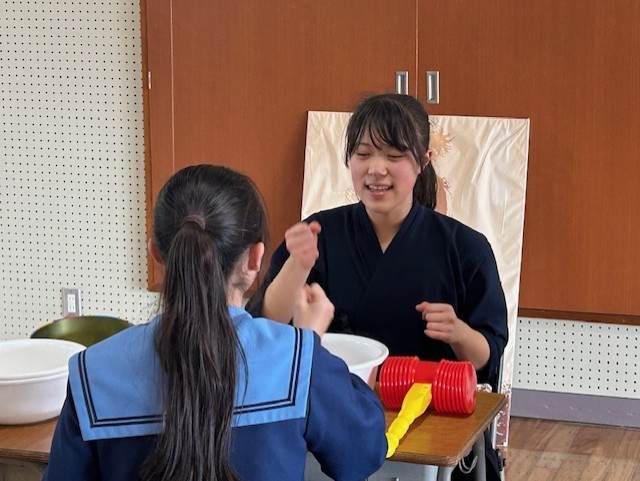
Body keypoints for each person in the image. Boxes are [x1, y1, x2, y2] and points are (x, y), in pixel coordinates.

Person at [43, 164, 387, 481]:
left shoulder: (91, 371)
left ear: (156, 253)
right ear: (254, 259)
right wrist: (308, 345)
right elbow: (364, 452)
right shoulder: (296, 360)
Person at [247, 93, 508, 481]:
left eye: (394, 155)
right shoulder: (320, 233)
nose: (376, 169)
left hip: (429, 424)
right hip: (333, 421)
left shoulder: (466, 248)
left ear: (422, 162)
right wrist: (295, 269)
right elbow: (264, 330)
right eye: (364, 154)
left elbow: (488, 359)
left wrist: (459, 333)